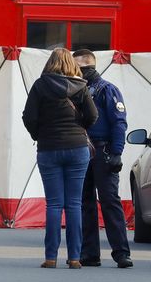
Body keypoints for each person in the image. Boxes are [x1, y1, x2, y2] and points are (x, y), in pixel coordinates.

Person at [22, 48, 98, 269]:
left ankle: (51, 257)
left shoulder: (40, 85)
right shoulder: (81, 86)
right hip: (77, 149)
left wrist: (39, 134)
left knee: (54, 204)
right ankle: (75, 257)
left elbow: (29, 117)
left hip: (49, 148)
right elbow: (93, 115)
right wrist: (79, 129)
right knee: (74, 204)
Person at [72, 49, 133, 269]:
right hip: (82, 150)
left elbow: (119, 122)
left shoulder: (107, 90)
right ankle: (90, 253)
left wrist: (117, 152)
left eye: (77, 68)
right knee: (84, 203)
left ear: (87, 68)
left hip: (103, 149)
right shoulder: (76, 91)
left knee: (109, 201)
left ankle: (121, 253)